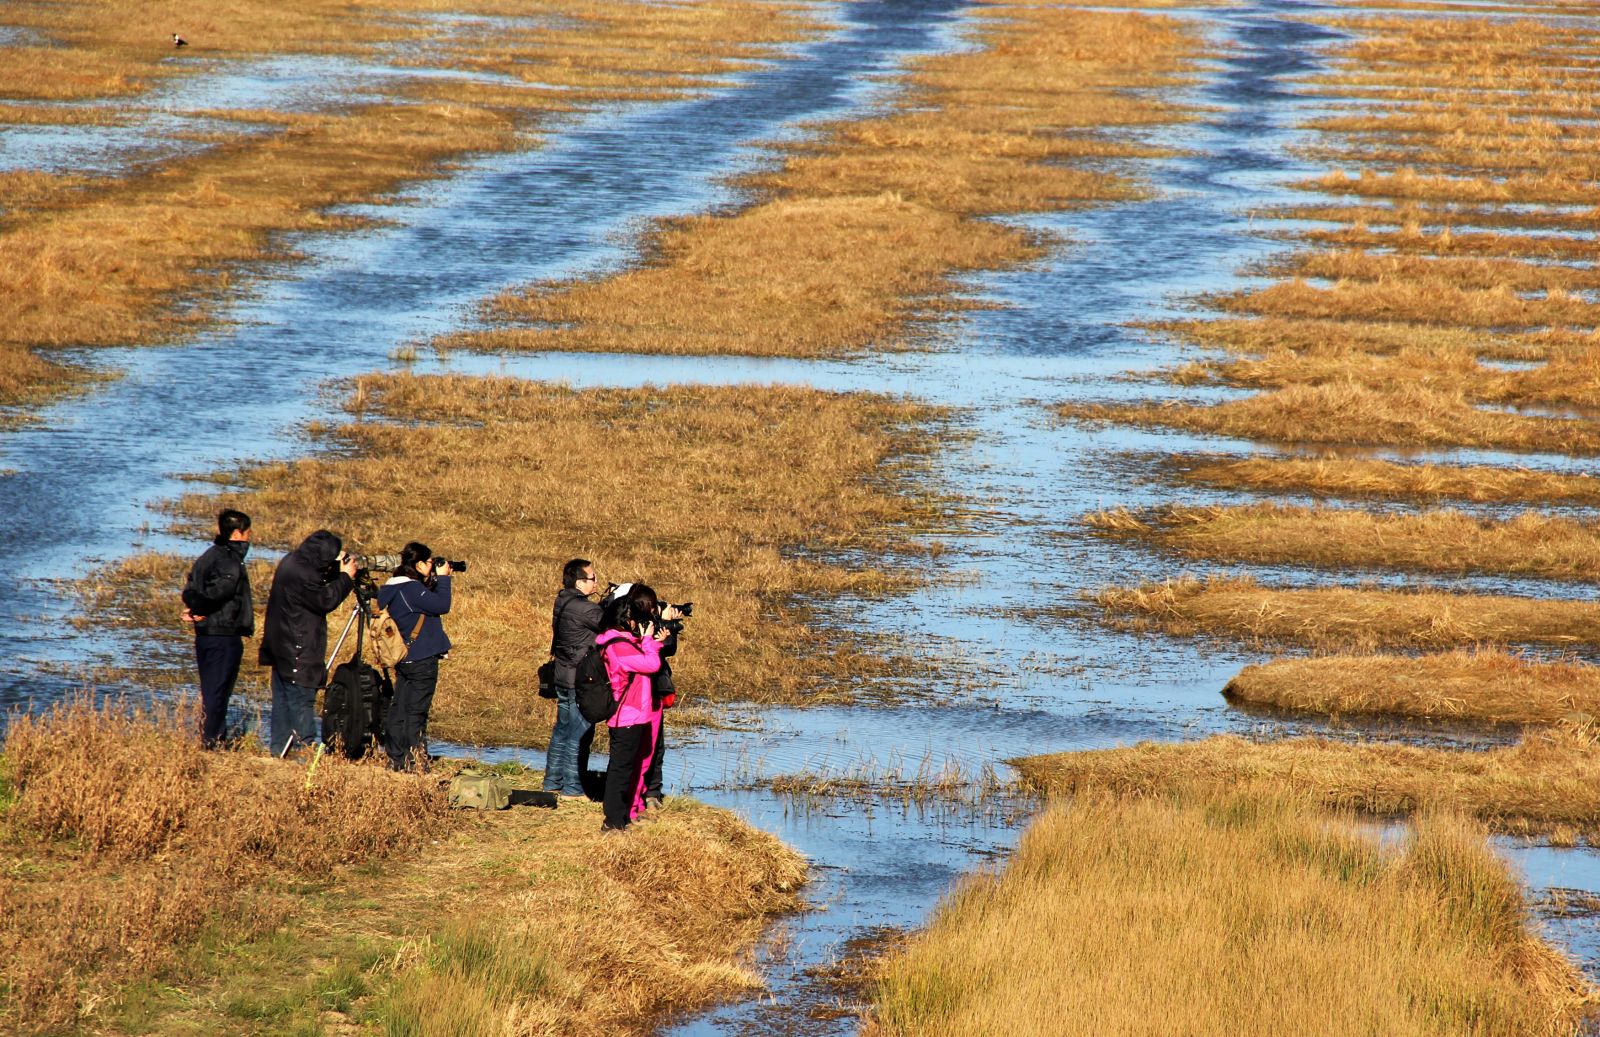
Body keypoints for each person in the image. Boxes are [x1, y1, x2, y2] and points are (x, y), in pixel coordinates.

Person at [259, 529, 355, 756]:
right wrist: (346, 577)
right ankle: (303, 756)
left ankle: (279, 753)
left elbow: (313, 588)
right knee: (301, 703)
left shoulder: (291, 562)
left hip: (281, 647)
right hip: (298, 651)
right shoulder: (305, 574)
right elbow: (325, 599)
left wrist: (333, 570)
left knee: (282, 705)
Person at [597, 583, 669, 832]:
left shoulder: (622, 642)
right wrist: (649, 641)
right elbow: (650, 665)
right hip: (626, 715)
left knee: (628, 766)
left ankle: (624, 814)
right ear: (625, 620)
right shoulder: (619, 646)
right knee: (621, 770)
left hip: (633, 714)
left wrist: (654, 641)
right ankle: (614, 821)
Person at [180, 508, 253, 748]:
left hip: (207, 635)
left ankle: (213, 737)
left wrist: (194, 608)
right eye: (248, 533)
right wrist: (201, 607)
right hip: (223, 635)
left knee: (212, 689)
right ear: (237, 533)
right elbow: (221, 592)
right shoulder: (229, 561)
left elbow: (190, 588)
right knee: (218, 691)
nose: (251, 538)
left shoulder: (207, 556)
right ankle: (211, 741)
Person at [378, 542, 453, 770]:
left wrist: (432, 580)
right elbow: (442, 605)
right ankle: (415, 762)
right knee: (416, 711)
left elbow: (422, 607)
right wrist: (444, 579)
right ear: (419, 564)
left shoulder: (392, 588)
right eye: (430, 563)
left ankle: (396, 758)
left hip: (404, 657)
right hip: (421, 659)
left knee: (400, 706)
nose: (433, 566)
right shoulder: (410, 589)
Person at [543, 558, 604, 797]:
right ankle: (572, 786)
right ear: (580, 582)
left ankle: (552, 781)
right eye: (592, 578)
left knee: (563, 730)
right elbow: (611, 625)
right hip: (579, 679)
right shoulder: (585, 608)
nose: (595, 581)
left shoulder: (563, 600)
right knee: (579, 733)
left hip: (562, 675)